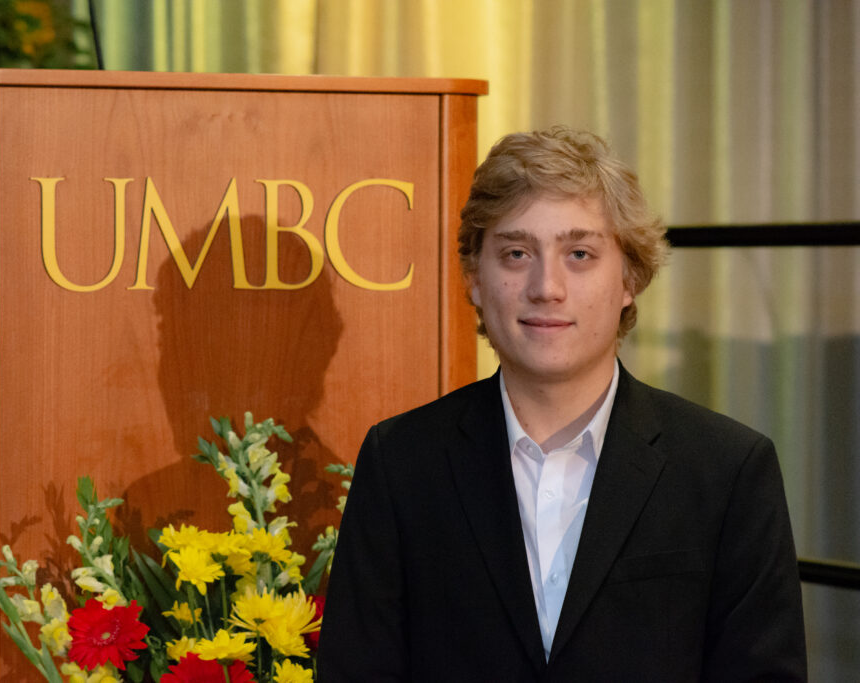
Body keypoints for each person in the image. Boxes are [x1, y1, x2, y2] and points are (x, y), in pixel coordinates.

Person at [318, 126, 806, 681]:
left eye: (579, 253)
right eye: (516, 253)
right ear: (475, 278)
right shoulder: (401, 461)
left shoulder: (728, 470)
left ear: (629, 277)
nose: (546, 286)